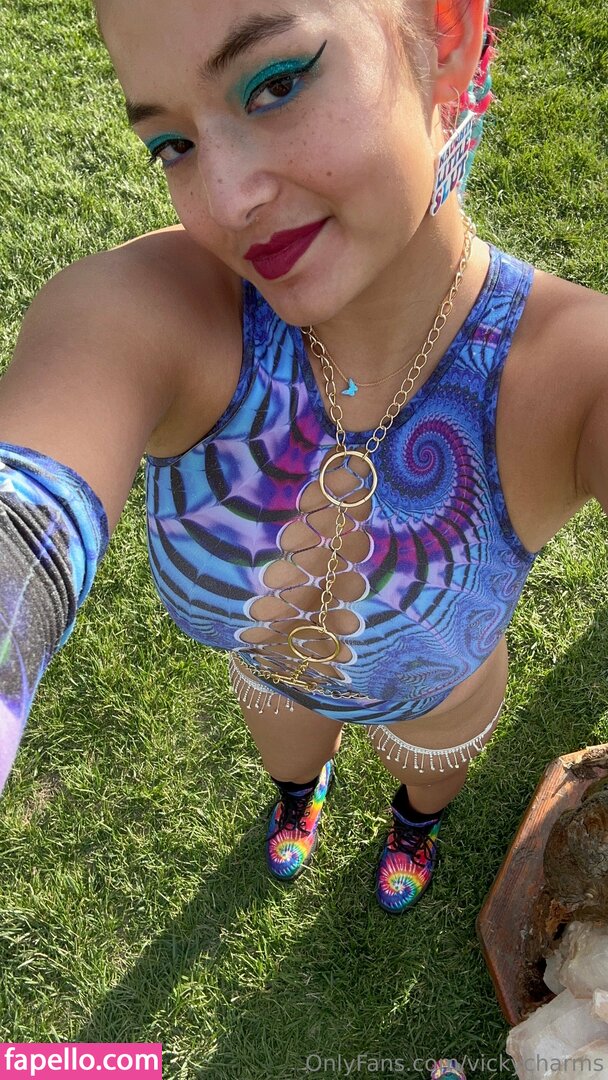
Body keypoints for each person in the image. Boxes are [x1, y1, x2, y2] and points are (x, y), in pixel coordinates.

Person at [0, 0, 606, 917]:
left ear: (444, 34)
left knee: (424, 781)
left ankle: (412, 828)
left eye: (276, 83)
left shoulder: (572, 370)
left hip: (435, 701)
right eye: (173, 145)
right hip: (272, 676)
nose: (225, 201)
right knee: (289, 765)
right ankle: (299, 799)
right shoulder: (160, 314)